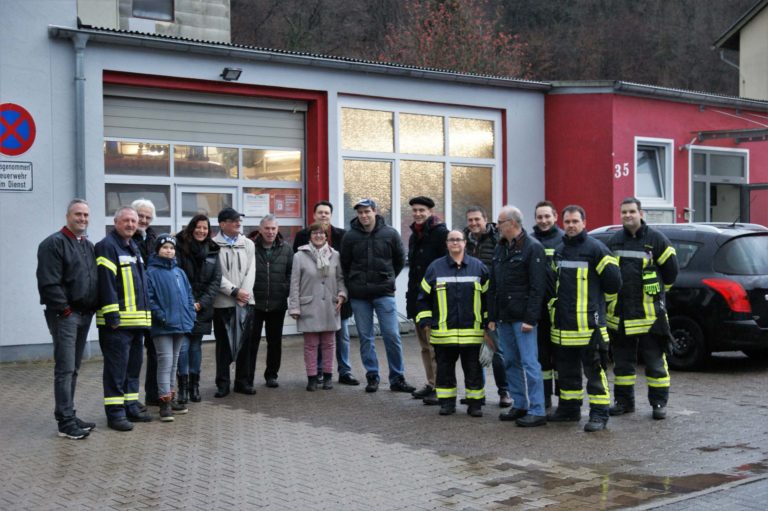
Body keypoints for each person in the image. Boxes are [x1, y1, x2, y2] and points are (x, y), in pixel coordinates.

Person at [547, 205, 622, 432]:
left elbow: (614, 284)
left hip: (590, 326)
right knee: (567, 372)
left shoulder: (597, 249)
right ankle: (569, 409)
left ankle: (599, 414)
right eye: (567, 222)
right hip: (563, 326)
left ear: (584, 223)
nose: (570, 226)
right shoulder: (559, 250)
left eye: (574, 222)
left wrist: (596, 308)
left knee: (595, 372)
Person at [606, 198, 678, 420]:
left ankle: (658, 404)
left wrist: (655, 295)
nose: (628, 216)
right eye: (624, 212)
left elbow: (671, 273)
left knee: (656, 363)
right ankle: (624, 403)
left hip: (650, 316)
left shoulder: (656, 240)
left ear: (641, 213)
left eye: (631, 212)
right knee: (622, 365)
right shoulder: (615, 241)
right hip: (621, 315)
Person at [36, 198, 98, 439]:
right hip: (65, 316)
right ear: (67, 216)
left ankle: (70, 413)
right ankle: (65, 421)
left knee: (74, 368)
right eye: (78, 214)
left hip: (84, 315)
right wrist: (64, 310)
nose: (82, 219)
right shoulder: (53, 244)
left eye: (85, 215)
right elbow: (48, 281)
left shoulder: (87, 245)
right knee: (64, 369)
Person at [340, 198, 415, 394]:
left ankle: (397, 378)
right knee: (366, 337)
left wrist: (388, 278)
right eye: (360, 212)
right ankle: (372, 376)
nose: (364, 215)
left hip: (384, 293)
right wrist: (354, 283)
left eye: (367, 211)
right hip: (359, 296)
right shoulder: (350, 237)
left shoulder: (390, 233)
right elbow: (345, 264)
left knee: (392, 335)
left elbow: (399, 261)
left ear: (375, 211)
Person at [415, 230, 489, 417]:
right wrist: (425, 320)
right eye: (451, 240)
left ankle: (475, 404)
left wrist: (488, 322)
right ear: (446, 244)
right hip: (443, 333)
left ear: (465, 243)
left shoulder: (478, 267)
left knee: (473, 369)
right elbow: (423, 297)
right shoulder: (435, 268)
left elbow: (488, 298)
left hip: (472, 332)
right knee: (444, 370)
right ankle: (447, 403)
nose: (455, 243)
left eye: (458, 240)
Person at [488, 206, 549, 427]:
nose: (497, 227)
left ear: (513, 223)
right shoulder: (501, 248)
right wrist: (492, 316)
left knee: (529, 363)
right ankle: (520, 404)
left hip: (523, 319)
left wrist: (530, 319)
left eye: (500, 222)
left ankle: (537, 410)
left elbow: (537, 287)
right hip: (504, 317)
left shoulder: (532, 248)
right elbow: (494, 284)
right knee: (511, 362)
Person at [95, 206, 153, 431]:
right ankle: (115, 413)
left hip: (136, 322)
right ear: (116, 222)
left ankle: (130, 405)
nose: (131, 224)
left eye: (134, 221)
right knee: (115, 371)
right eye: (126, 220)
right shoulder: (107, 246)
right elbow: (106, 283)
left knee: (132, 368)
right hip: (117, 324)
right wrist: (112, 316)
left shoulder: (132, 246)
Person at [293, 200, 359, 386]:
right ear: (314, 215)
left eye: (326, 213)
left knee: (341, 338)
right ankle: (317, 373)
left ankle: (344, 372)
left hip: (334, 302)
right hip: (311, 301)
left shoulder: (342, 237)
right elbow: (296, 274)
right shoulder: (302, 238)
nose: (323, 215)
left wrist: (342, 294)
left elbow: (342, 272)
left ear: (330, 216)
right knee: (314, 342)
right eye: (320, 212)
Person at [289, 222, 348, 390]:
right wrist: (294, 307)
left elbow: (340, 279)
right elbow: (294, 284)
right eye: (314, 233)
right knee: (310, 345)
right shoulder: (299, 256)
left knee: (329, 344)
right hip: (309, 306)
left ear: (326, 236)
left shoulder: (335, 255)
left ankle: (328, 377)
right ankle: (312, 378)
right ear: (310, 236)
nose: (318, 236)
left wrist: (342, 295)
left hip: (331, 306)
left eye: (321, 233)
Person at [464, 205, 511, 408]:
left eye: (477, 219)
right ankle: (477, 392)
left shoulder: (498, 240)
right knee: (473, 350)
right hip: (469, 302)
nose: (474, 223)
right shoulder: (464, 241)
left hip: (493, 302)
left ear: (486, 220)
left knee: (496, 350)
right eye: (470, 220)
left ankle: (504, 392)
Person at [146, 234, 196, 421]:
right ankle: (164, 402)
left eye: (172, 248)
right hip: (163, 326)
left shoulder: (179, 272)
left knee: (174, 363)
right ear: (158, 250)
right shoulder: (151, 272)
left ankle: (171, 396)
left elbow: (189, 295)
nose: (169, 251)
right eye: (165, 247)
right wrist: (162, 317)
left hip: (180, 324)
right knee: (165, 362)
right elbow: (149, 299)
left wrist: (191, 313)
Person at [405, 196, 448, 406]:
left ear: (431, 211)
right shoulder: (415, 235)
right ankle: (431, 383)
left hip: (434, 301)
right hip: (417, 299)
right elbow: (413, 271)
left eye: (421, 210)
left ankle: (442, 388)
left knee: (434, 347)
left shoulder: (441, 234)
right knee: (424, 347)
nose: (418, 214)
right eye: (414, 210)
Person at [175, 214, 222, 403]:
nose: (201, 231)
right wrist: (188, 303)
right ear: (191, 227)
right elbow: (175, 276)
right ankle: (183, 388)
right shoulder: (179, 248)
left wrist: (201, 303)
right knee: (183, 348)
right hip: (182, 307)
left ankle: (195, 386)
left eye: (205, 228)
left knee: (195, 348)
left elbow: (215, 281)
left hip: (202, 308)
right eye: (198, 227)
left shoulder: (212, 250)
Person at [212, 207, 257, 398]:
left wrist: (244, 294)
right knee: (224, 345)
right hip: (223, 303)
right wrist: (234, 291)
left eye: (239, 220)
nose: (238, 224)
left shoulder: (247, 244)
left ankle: (243, 382)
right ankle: (223, 384)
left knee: (245, 345)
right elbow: (215, 274)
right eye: (233, 221)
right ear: (222, 224)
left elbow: (251, 270)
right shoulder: (213, 245)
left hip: (245, 302)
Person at [243, 215, 292, 389]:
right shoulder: (250, 247)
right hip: (254, 303)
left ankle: (271, 375)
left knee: (275, 342)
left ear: (277, 230)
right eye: (267, 228)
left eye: (273, 229)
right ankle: (247, 377)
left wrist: (284, 289)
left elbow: (291, 274)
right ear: (260, 229)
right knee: (251, 342)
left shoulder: (286, 249)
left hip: (277, 304)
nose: (270, 232)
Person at [531, 200, 564, 409]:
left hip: (561, 308)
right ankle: (544, 398)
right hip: (539, 309)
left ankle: (564, 399)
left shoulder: (564, 240)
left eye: (547, 216)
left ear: (555, 217)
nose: (543, 221)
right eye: (539, 217)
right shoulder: (529, 241)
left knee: (561, 355)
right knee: (541, 356)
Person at [131, 199, 160, 409]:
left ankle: (153, 394)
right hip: (132, 306)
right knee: (133, 355)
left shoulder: (154, 239)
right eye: (140, 215)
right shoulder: (125, 238)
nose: (143, 220)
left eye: (147, 217)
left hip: (151, 306)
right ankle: (131, 399)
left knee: (155, 352)